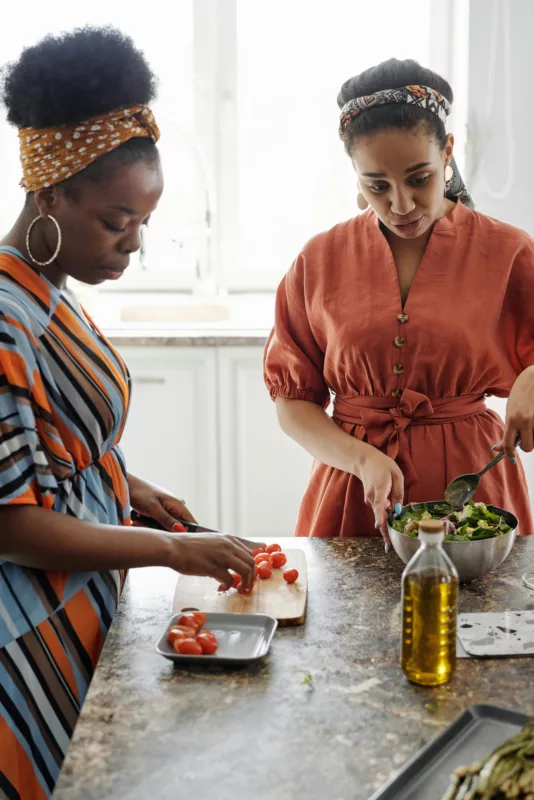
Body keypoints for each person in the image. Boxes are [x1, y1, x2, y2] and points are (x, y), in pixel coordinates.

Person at [0, 27, 259, 799]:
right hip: (25, 635)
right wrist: (170, 551)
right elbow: (10, 523)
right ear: (52, 194)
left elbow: (48, 443)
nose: (132, 245)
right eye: (118, 222)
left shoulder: (45, 289)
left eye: (142, 223)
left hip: (76, 604)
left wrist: (127, 481)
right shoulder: (4, 320)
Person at [264, 58, 534, 543]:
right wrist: (361, 459)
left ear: (447, 152)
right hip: (351, 493)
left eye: (419, 178)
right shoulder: (318, 259)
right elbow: (293, 403)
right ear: (355, 174)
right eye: (377, 186)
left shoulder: (509, 251)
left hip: (476, 495)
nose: (401, 205)